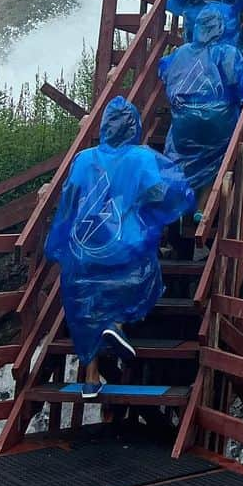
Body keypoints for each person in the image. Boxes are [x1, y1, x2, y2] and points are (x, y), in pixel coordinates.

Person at [45, 97, 193, 400]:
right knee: (146, 275)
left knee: (86, 306)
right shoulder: (141, 158)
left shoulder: (84, 159)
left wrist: (60, 243)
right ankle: (117, 322)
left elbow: (69, 201)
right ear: (134, 128)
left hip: (85, 248)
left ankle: (91, 377)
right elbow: (158, 193)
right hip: (121, 247)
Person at [158, 5, 243, 222]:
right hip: (219, 120)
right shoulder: (228, 53)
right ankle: (203, 208)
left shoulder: (181, 53)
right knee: (219, 158)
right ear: (221, 27)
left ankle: (179, 205)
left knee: (179, 155)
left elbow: (165, 74)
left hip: (184, 120)